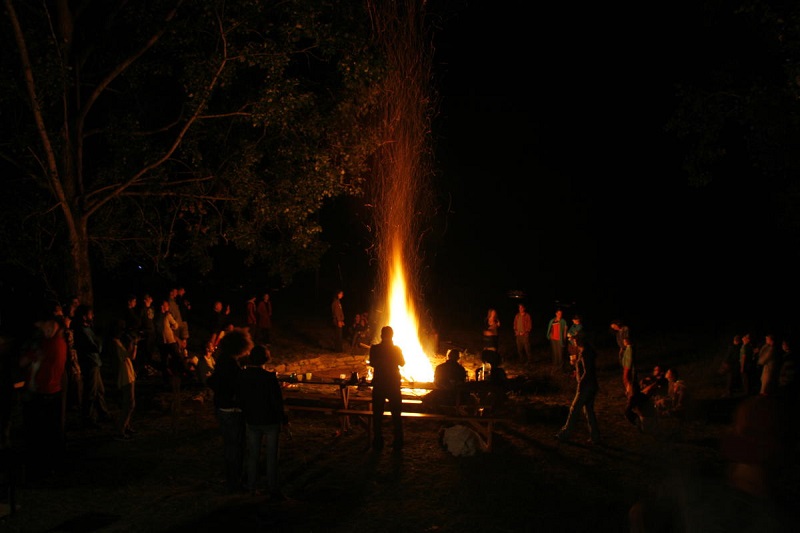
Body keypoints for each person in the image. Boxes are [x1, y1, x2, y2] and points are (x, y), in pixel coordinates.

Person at [18, 317, 67, 480]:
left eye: (47, 326)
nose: (44, 330)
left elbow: (23, 362)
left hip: (44, 393)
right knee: (49, 432)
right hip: (51, 391)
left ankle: (40, 468)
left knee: (40, 433)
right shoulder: (57, 342)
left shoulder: (50, 344)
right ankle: (50, 466)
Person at [207, 327, 253, 493]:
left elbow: (213, 381)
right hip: (232, 409)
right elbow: (237, 386)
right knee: (236, 446)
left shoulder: (222, 360)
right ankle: (235, 481)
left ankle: (232, 477)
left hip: (222, 407)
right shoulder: (232, 365)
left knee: (230, 445)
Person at [239, 344, 287, 500]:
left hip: (252, 419)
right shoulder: (269, 377)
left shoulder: (243, 375)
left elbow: (241, 397)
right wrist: (283, 418)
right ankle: (272, 488)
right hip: (270, 420)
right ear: (265, 359)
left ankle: (252, 486)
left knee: (253, 454)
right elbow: (277, 401)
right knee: (271, 456)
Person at [555, 338, 600, 445]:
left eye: (575, 340)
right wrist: (577, 371)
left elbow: (587, 371)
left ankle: (565, 434)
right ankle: (595, 436)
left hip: (586, 387)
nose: (573, 342)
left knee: (574, 409)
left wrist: (581, 383)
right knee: (589, 411)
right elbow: (585, 369)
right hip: (591, 385)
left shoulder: (585, 353)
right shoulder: (584, 352)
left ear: (580, 341)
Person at [73, 304, 112, 428]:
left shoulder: (88, 329)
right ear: (84, 317)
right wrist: (99, 339)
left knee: (99, 391)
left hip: (95, 363)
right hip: (90, 364)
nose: (93, 316)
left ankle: (103, 413)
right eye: (90, 314)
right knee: (90, 392)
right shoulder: (82, 331)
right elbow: (96, 347)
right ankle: (87, 418)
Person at [368, 325, 405, 451]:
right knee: (396, 414)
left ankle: (378, 440)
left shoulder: (375, 348)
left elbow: (372, 363)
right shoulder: (396, 349)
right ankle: (398, 440)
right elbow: (402, 363)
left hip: (379, 384)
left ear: (381, 335)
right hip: (393, 384)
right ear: (392, 335)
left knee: (377, 414)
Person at [107, 319, 137, 441]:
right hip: (124, 376)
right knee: (129, 403)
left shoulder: (117, 342)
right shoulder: (114, 344)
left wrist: (134, 344)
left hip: (128, 374)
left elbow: (130, 356)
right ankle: (120, 429)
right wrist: (133, 344)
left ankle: (126, 426)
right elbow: (127, 356)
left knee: (129, 402)